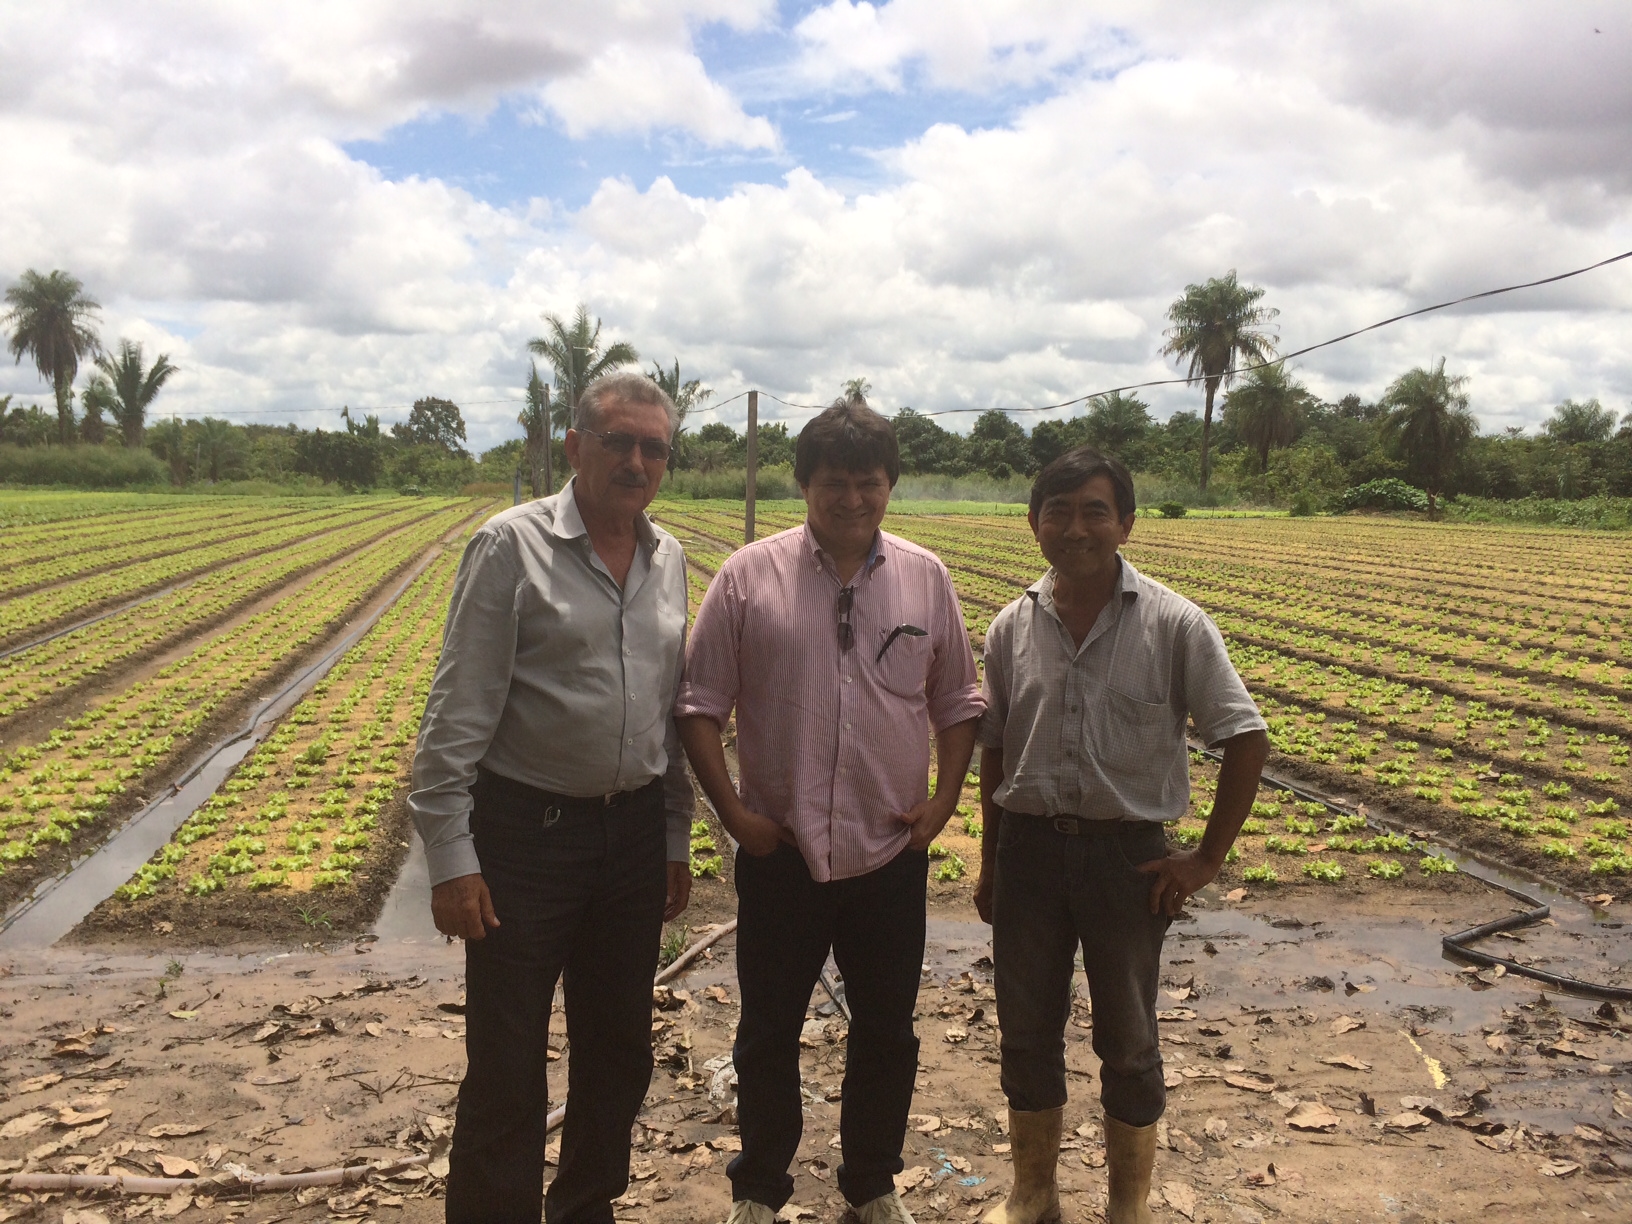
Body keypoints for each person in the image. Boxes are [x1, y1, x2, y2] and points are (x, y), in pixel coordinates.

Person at [676, 395, 985, 1224]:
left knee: (887, 1031)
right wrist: (736, 814)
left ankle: (871, 1185)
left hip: (889, 851)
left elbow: (958, 701)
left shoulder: (926, 577)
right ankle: (759, 1188)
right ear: (803, 485)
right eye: (834, 484)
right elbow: (699, 703)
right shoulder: (750, 577)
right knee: (768, 1029)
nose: (852, 500)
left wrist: (944, 802)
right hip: (780, 853)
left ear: (890, 485)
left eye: (869, 483)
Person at [408, 371, 695, 1224]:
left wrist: (674, 835)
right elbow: (454, 718)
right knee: (506, 1063)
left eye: (654, 448)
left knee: (618, 1053)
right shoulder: (510, 547)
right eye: (619, 442)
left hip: (634, 835)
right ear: (576, 447)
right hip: (526, 839)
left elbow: (666, 714)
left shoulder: (668, 556)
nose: (637, 461)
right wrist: (452, 862)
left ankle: (584, 1208)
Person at [974, 446, 1269, 1224]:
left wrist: (1205, 857)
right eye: (1058, 511)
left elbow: (1244, 736)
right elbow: (995, 749)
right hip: (1029, 855)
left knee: (1130, 1041)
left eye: (1094, 511)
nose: (1075, 528)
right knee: (1025, 1033)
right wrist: (988, 861)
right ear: (1033, 524)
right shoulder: (1011, 627)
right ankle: (1032, 1194)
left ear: (1126, 524)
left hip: (1127, 859)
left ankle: (1126, 1206)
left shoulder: (1174, 624)